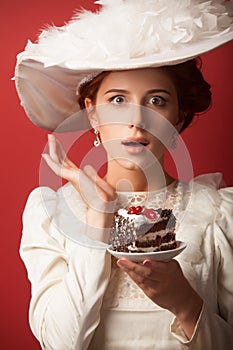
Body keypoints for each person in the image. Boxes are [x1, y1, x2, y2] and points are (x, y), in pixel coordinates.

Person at [14, 1, 233, 349]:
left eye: (157, 101)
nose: (137, 120)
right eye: (118, 100)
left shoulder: (219, 214)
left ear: (178, 117)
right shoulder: (52, 212)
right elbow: (60, 343)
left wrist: (187, 305)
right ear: (93, 114)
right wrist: (97, 222)